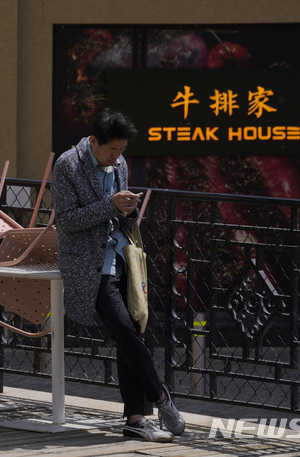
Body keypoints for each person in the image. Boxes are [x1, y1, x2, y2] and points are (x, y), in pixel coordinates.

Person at [51, 107, 185, 442]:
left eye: (122, 150)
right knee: (125, 328)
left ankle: (135, 418)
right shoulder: (67, 164)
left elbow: (118, 210)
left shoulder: (120, 164)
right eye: (112, 150)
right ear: (93, 141)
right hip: (88, 263)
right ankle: (159, 395)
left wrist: (127, 206)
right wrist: (112, 204)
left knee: (134, 330)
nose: (118, 157)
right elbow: (66, 221)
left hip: (123, 257)